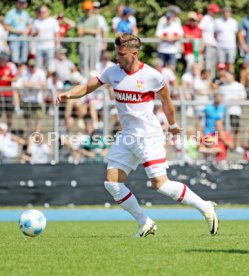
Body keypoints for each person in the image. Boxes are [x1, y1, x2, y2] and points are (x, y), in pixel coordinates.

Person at [56, 33, 218, 237]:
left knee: (160, 184)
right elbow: (90, 86)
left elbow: (166, 101)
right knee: (112, 182)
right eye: (116, 53)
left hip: (148, 135)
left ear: (134, 53)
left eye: (122, 54)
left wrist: (173, 124)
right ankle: (145, 222)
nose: (118, 58)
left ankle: (205, 207)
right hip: (127, 136)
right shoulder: (113, 71)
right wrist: (69, 94)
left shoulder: (152, 75)